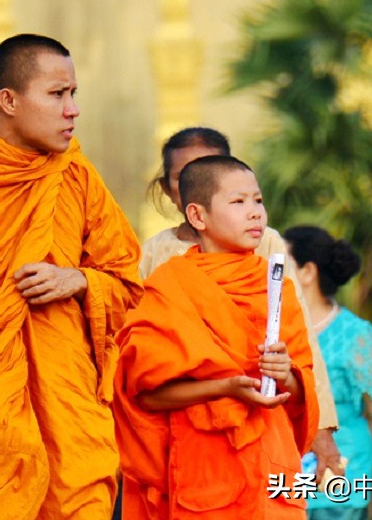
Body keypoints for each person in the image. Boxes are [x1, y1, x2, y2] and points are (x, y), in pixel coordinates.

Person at [0, 33, 143, 518]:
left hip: (70, 413)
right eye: (57, 94)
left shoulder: (76, 177)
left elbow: (128, 285)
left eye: (73, 93)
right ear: (8, 101)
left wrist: (80, 281)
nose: (72, 110)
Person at [114, 155, 319, 518]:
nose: (255, 212)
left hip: (273, 469)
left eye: (258, 200)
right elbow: (145, 395)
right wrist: (223, 388)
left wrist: (286, 375)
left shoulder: (277, 287)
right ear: (197, 216)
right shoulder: (170, 286)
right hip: (206, 471)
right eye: (238, 202)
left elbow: (302, 394)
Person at [139, 127, 343, 480]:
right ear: (169, 190)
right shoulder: (157, 255)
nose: (253, 212)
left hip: (262, 415)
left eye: (256, 200)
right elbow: (142, 358)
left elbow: (299, 337)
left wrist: (320, 422)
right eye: (185, 176)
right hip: (185, 427)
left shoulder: (266, 245)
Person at [282, 226, 372, 519]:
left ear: (308, 272)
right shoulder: (272, 329)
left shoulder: (355, 334)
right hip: (280, 478)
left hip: (339, 485)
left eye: (281, 260)